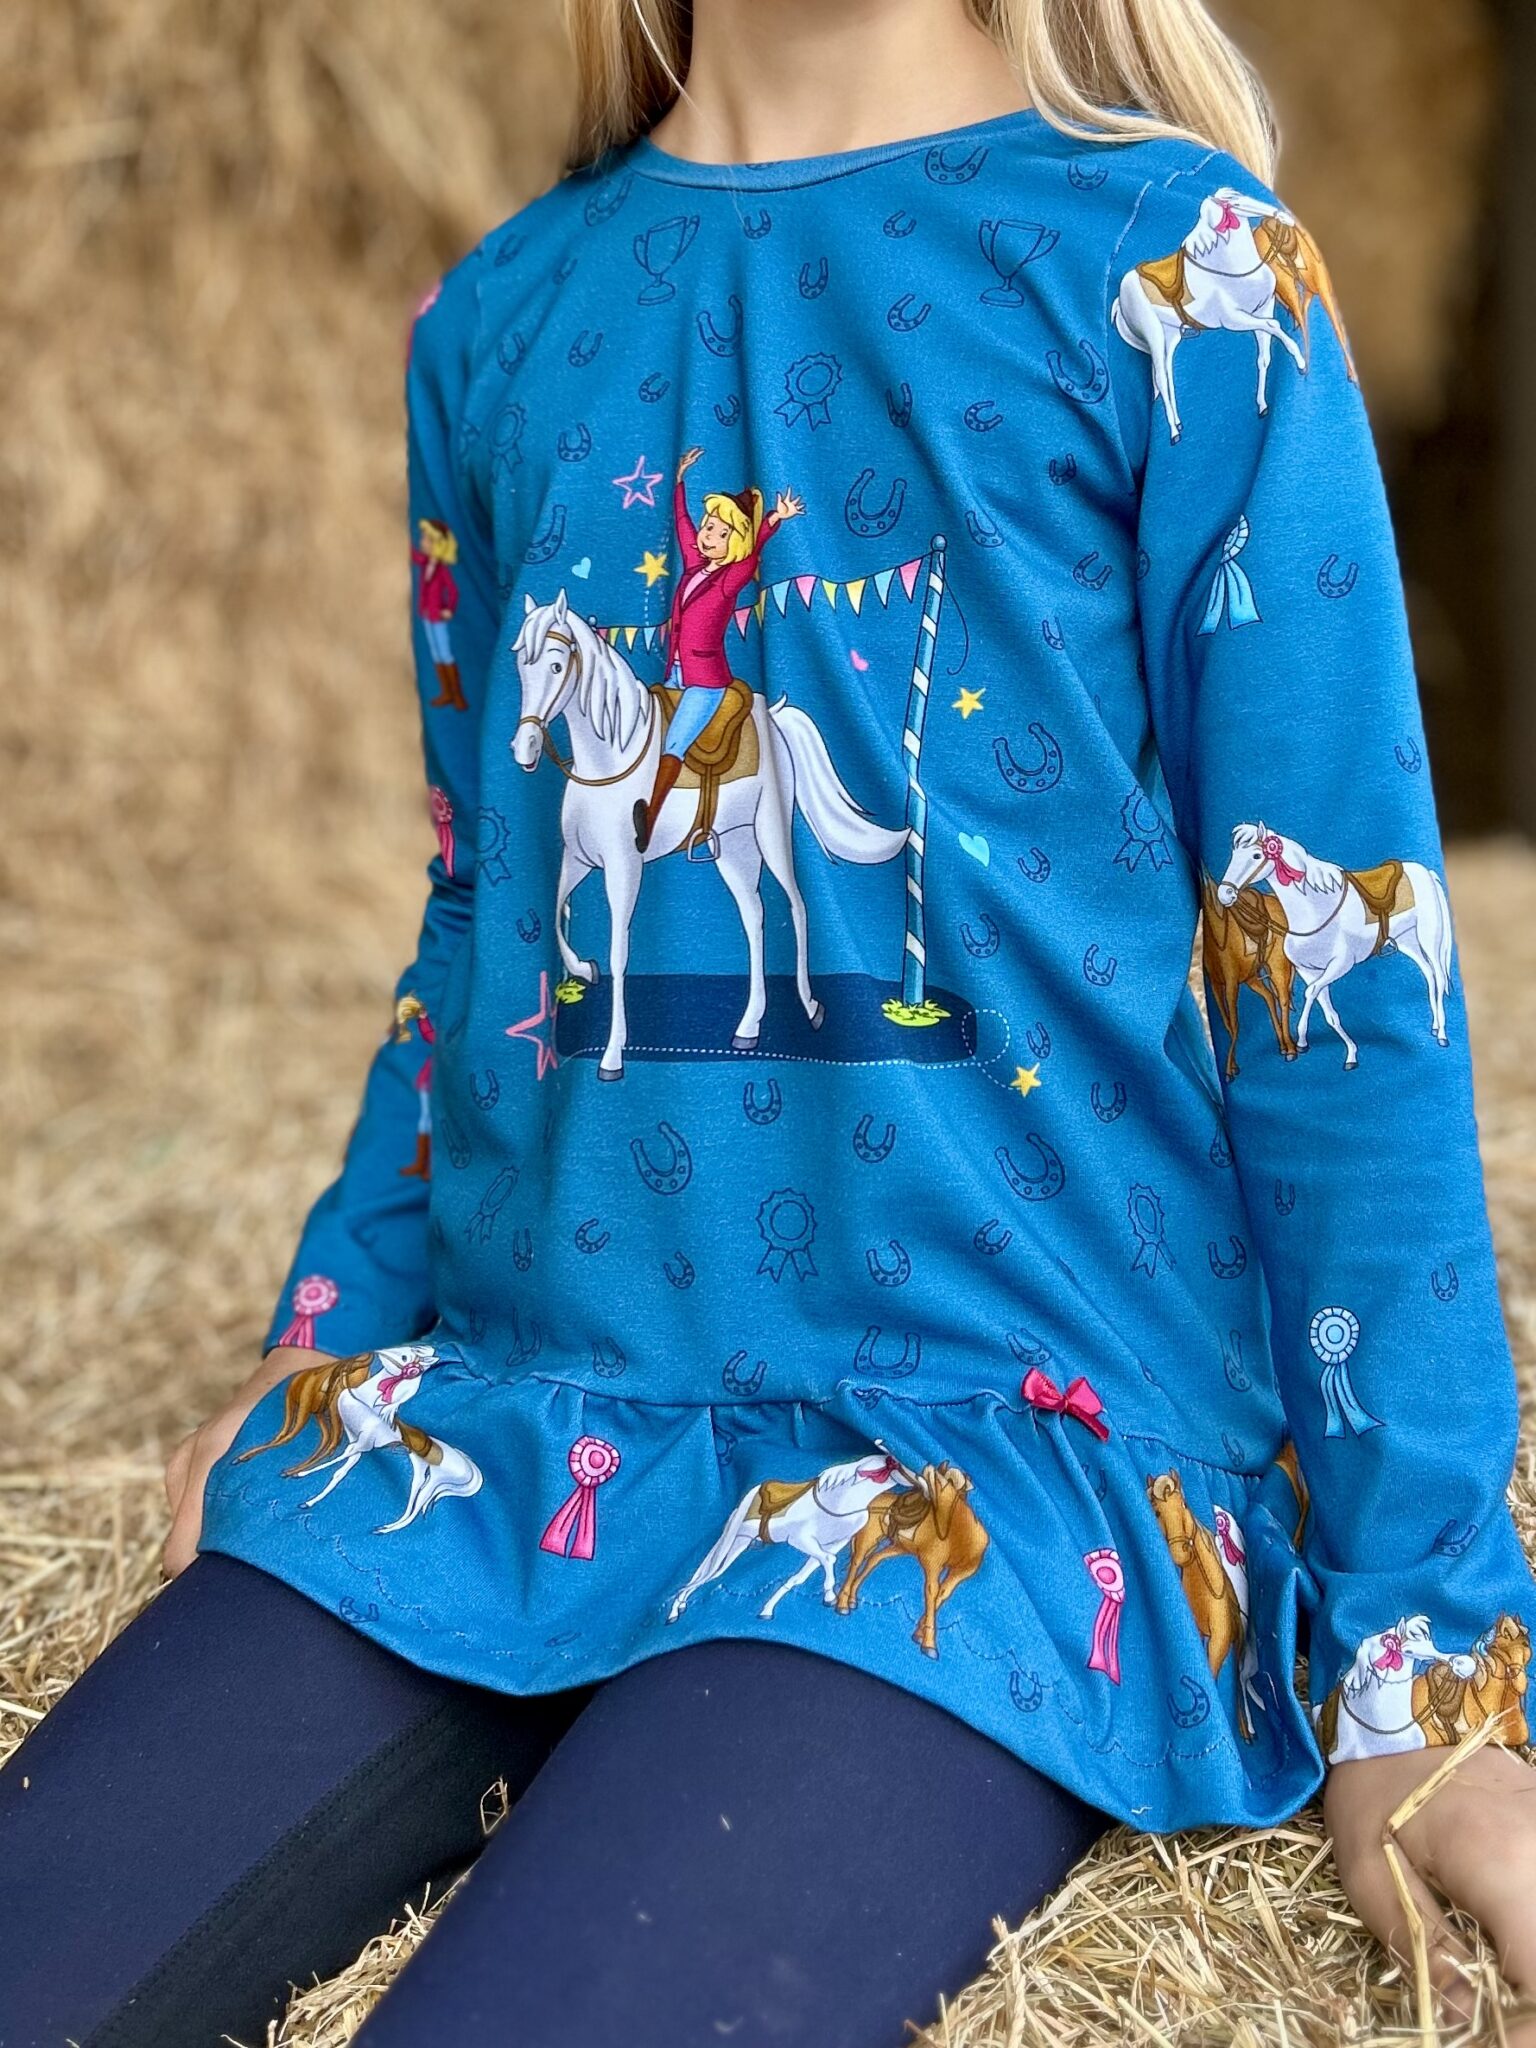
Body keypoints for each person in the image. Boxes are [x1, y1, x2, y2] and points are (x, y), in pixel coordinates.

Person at [4, 2, 1535, 2045]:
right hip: (525, 1412)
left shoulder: (1184, 277)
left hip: (992, 1466)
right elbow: (479, 912)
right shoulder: (502, 317)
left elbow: (1334, 979)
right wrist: (330, 1334)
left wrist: (1428, 1674)